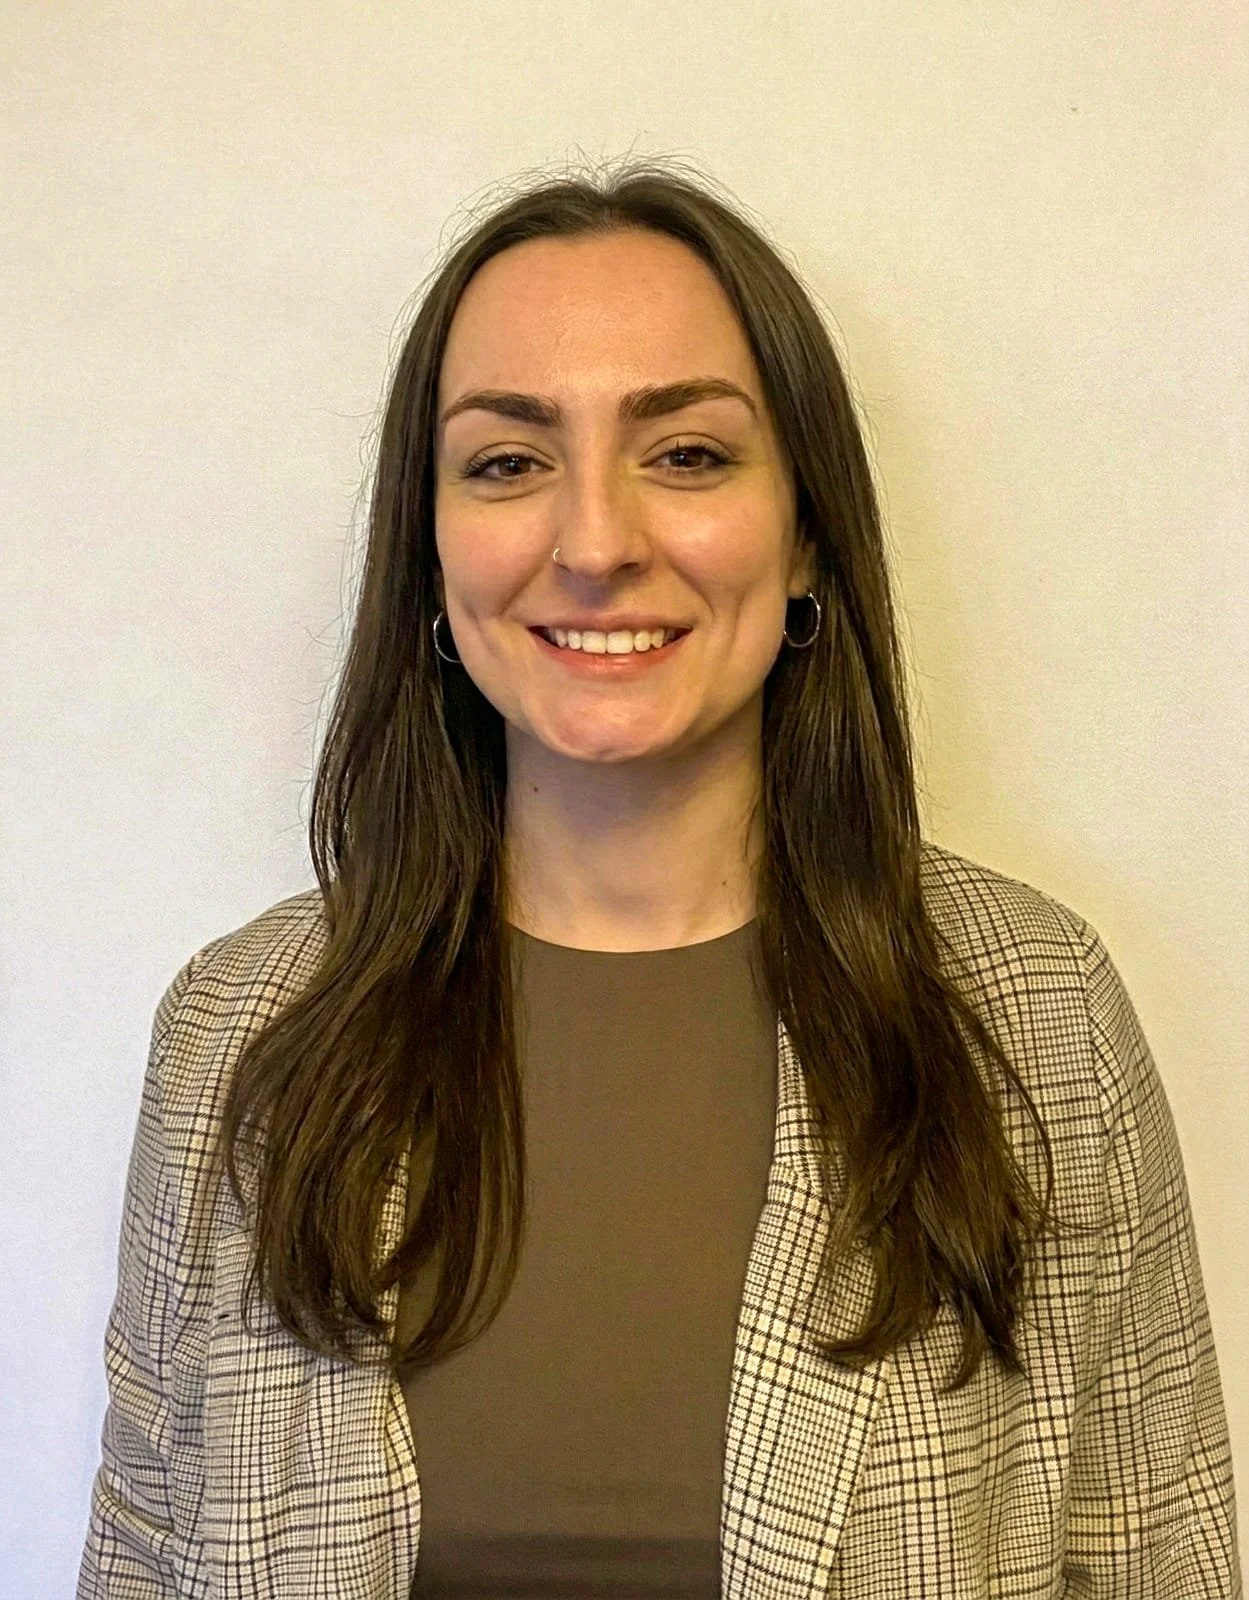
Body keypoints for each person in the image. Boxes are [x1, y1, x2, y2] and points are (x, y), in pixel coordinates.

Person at [78, 159, 1241, 1599]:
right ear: (429, 550)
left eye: (686, 455)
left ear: (805, 533)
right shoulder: (240, 1031)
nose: (597, 544)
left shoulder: (1033, 1017)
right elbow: (144, 1550)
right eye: (508, 462)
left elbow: (1160, 1560)